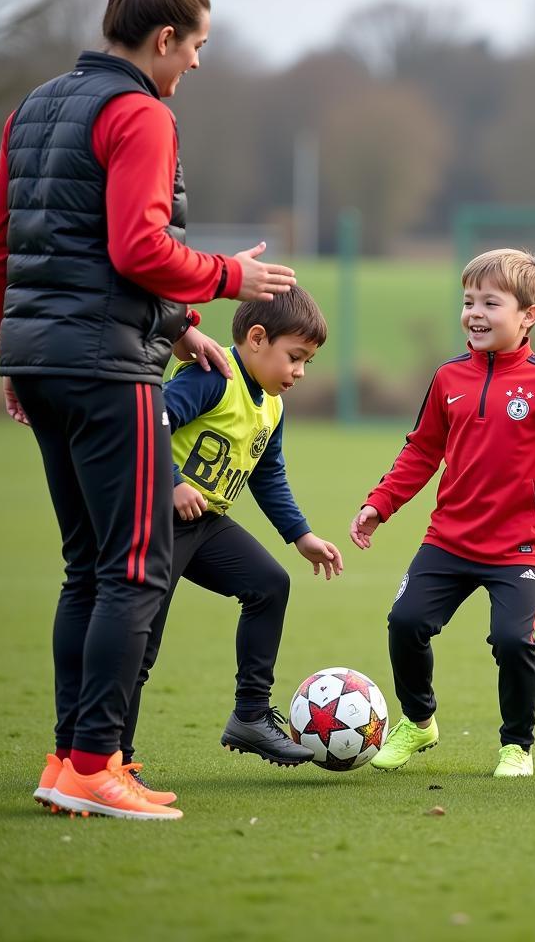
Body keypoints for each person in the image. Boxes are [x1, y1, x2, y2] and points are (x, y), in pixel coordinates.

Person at [0, 0, 297, 820]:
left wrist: (19, 351)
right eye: (195, 46)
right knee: (132, 568)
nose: (198, 61)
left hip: (44, 362)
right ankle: (94, 766)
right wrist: (230, 279)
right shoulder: (141, 114)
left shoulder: (36, 106)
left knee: (86, 568)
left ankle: (66, 759)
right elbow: (136, 249)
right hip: (106, 372)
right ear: (163, 39)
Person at [349, 249, 535, 778]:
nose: (474, 313)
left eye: (490, 302)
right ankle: (418, 722)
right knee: (405, 622)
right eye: (468, 302)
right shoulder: (447, 379)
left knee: (512, 641)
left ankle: (516, 746)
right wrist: (379, 504)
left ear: (528, 315)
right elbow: (420, 451)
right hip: (448, 541)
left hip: (519, 547)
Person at [121, 288, 343, 777]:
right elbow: (151, 419)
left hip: (205, 524)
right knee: (138, 644)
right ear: (257, 338)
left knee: (268, 584)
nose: (300, 372)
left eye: (307, 362)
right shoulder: (212, 376)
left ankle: (249, 715)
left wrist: (300, 535)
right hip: (155, 519)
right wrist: (173, 484)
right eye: (295, 358)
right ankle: (115, 760)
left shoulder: (272, 406)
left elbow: (268, 473)